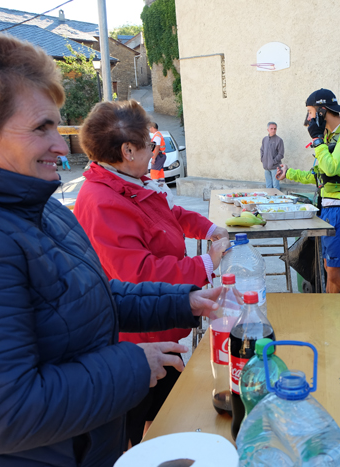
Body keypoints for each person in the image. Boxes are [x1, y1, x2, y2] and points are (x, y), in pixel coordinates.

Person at [0, 32, 222, 466]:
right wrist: (134, 365)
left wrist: (185, 300)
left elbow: (94, 296)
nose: (64, 147)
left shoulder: (42, 210)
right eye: (41, 127)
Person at [73, 100, 230, 446]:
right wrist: (205, 265)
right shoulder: (102, 200)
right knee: (141, 429)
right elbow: (139, 274)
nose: (156, 149)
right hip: (136, 341)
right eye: (150, 142)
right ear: (128, 150)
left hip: (161, 331)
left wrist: (210, 229)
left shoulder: (133, 182)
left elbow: (172, 213)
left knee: (170, 417)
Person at [276, 88, 340, 293]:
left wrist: (317, 142)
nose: (308, 118)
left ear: (322, 111)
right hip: (328, 206)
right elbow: (319, 175)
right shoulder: (329, 136)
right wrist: (289, 173)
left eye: (310, 112)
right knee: (328, 270)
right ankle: (333, 319)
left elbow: (331, 167)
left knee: (335, 273)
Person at [260, 121, 284, 190]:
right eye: (271, 128)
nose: (273, 130)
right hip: (266, 168)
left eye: (275, 129)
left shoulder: (279, 140)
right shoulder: (265, 139)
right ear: (268, 130)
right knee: (268, 186)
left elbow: (281, 154)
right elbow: (261, 150)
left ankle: (277, 200)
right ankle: (269, 200)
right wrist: (263, 159)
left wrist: (273, 161)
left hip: (275, 168)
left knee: (275, 186)